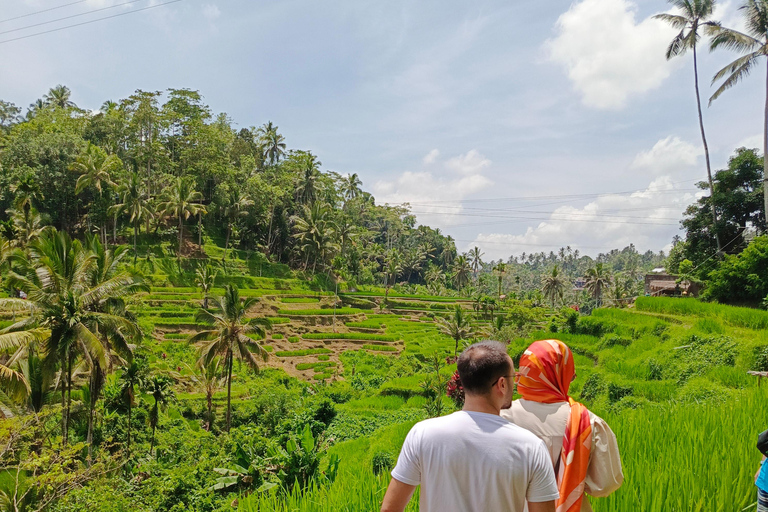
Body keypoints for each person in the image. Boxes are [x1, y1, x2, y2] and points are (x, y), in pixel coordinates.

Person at [381, 340, 559, 512]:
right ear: (502, 384)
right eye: (514, 377)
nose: (516, 383)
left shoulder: (423, 434)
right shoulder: (531, 447)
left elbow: (390, 508)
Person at [501, 339, 623, 512]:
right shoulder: (587, 421)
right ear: (563, 374)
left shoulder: (500, 418)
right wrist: (572, 477)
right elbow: (605, 484)